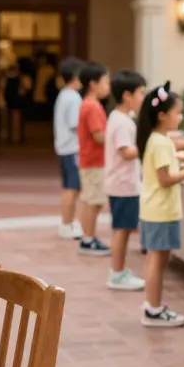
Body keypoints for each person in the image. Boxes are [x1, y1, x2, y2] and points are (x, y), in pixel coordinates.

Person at [137, 82, 184, 328]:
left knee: (155, 260)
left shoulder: (158, 139)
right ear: (162, 115)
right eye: (178, 113)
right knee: (158, 261)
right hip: (161, 211)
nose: (181, 117)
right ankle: (154, 309)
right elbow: (165, 179)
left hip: (154, 209)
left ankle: (152, 305)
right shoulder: (161, 142)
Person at [102, 69, 147, 291]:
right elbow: (126, 151)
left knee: (125, 228)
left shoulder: (121, 118)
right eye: (141, 93)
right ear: (127, 95)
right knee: (122, 229)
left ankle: (118, 270)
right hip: (122, 185)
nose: (143, 98)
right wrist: (148, 145)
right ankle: (116, 273)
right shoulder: (121, 121)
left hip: (123, 184)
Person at [76, 62, 112, 256]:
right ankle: (87, 239)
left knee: (92, 200)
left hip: (91, 160)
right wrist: (115, 139)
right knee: (93, 201)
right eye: (105, 81)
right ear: (93, 84)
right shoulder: (92, 107)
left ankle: (88, 236)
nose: (108, 86)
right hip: (93, 161)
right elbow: (98, 135)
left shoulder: (89, 105)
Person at [53, 57, 85, 240]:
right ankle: (67, 224)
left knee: (69, 187)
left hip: (65, 148)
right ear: (75, 77)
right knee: (72, 188)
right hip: (73, 149)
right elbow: (76, 124)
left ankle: (68, 222)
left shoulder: (64, 94)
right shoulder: (73, 98)